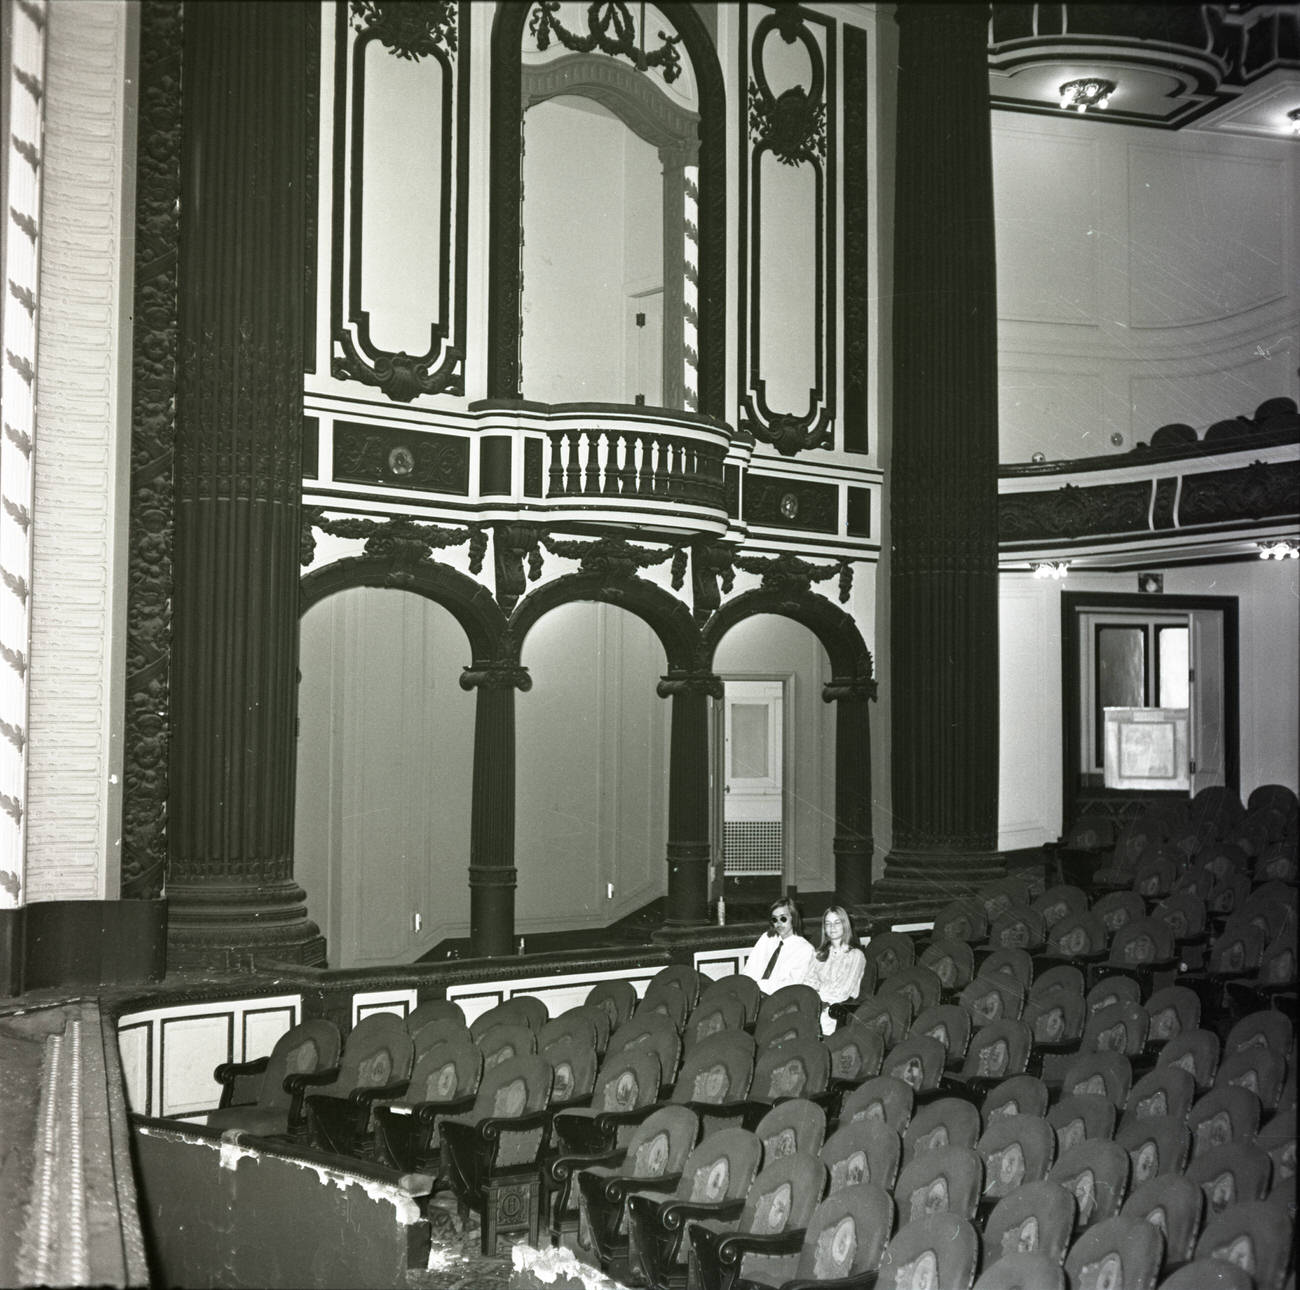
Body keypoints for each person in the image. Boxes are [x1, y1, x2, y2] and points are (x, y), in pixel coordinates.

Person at [802, 905, 866, 1034]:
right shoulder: (819, 954)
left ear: (845, 925)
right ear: (824, 928)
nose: (832, 927)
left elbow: (843, 991)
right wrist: (816, 1000)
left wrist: (820, 997)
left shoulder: (855, 955)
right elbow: (807, 982)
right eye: (828, 924)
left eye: (837, 923)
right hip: (815, 1004)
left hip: (836, 1009)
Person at [741, 898, 814, 995]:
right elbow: (749, 968)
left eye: (783, 918)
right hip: (752, 994)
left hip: (779, 1000)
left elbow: (791, 986)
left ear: (794, 917)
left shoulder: (805, 950)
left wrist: (758, 985)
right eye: (775, 919)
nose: (778, 923)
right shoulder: (767, 938)